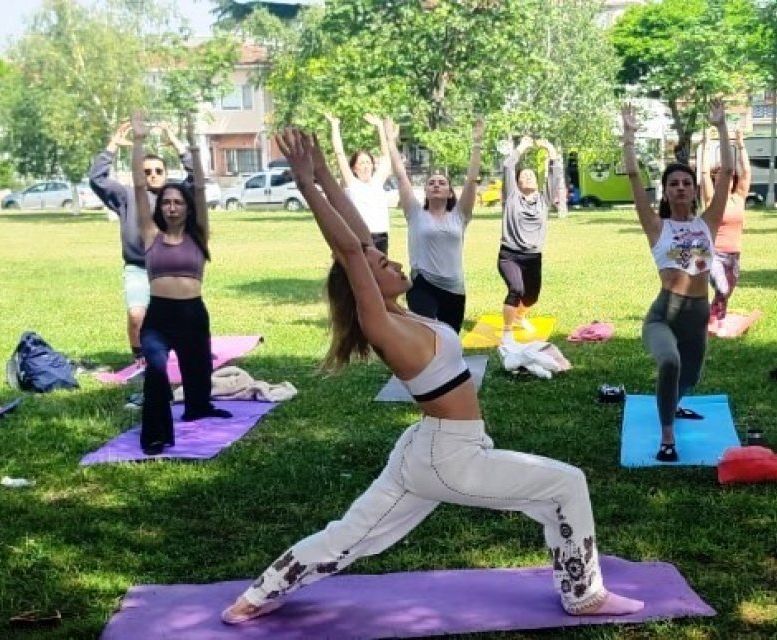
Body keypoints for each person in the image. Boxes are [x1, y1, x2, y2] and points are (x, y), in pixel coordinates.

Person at [221, 129, 644, 624]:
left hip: (425, 449)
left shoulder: (403, 315)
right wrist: (303, 180)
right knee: (567, 485)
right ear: (364, 284)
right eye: (382, 264)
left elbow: (358, 240)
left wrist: (319, 168)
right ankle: (584, 595)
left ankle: (258, 595)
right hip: (450, 456)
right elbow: (351, 251)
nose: (392, 260)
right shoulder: (383, 324)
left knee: (351, 535)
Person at [622, 100, 734, 463]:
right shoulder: (657, 226)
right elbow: (635, 179)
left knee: (691, 375)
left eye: (687, 182)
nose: (682, 188)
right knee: (670, 362)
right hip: (664, 314)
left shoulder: (708, 222)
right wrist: (628, 135)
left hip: (697, 315)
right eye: (674, 184)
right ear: (667, 192)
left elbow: (728, 174)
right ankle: (667, 436)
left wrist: (720, 128)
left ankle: (675, 403)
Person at [128, 112, 230, 455]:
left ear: (187, 207)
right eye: (167, 202)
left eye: (178, 202)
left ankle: (198, 405)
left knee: (197, 365)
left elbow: (200, 186)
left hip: (192, 312)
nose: (172, 206)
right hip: (159, 316)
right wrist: (139, 142)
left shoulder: (199, 236)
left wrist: (190, 146)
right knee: (157, 371)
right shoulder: (150, 234)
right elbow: (140, 187)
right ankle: (156, 435)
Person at [89, 120, 194, 364]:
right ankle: (140, 360)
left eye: (158, 171)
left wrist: (176, 142)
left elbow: (196, 176)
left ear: (166, 174)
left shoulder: (176, 195)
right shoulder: (126, 196)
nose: (153, 176)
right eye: (146, 172)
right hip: (137, 268)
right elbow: (97, 179)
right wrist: (113, 145)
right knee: (137, 316)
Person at [384, 116, 484, 332]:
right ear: (426, 192)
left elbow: (471, 180)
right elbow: (401, 177)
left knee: (450, 339)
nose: (436, 185)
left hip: (454, 288)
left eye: (441, 183)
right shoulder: (415, 213)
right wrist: (391, 142)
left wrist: (476, 144)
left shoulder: (460, 215)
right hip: (423, 285)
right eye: (431, 183)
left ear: (449, 192)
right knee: (428, 334)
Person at [497, 136, 562, 344]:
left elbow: (555, 174)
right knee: (516, 290)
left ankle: (519, 317)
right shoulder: (512, 197)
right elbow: (508, 166)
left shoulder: (544, 199)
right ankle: (507, 331)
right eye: (523, 176)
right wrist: (522, 147)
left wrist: (550, 150)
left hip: (533, 257)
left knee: (531, 297)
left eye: (532, 175)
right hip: (510, 255)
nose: (528, 177)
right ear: (516, 183)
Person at [697, 126, 752, 335]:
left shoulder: (739, 198)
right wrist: (705, 144)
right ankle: (711, 321)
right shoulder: (711, 199)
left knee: (726, 293)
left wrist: (740, 144)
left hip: (734, 256)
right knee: (722, 288)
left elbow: (746, 172)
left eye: (728, 176)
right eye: (719, 176)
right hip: (714, 254)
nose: (724, 179)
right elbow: (703, 174)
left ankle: (716, 319)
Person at [324, 113, 393, 254]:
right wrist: (335, 126)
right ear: (354, 168)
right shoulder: (352, 184)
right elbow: (340, 154)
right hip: (360, 237)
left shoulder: (377, 182)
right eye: (361, 163)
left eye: (368, 162)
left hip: (381, 237)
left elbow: (386, 156)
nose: (366, 166)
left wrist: (380, 127)